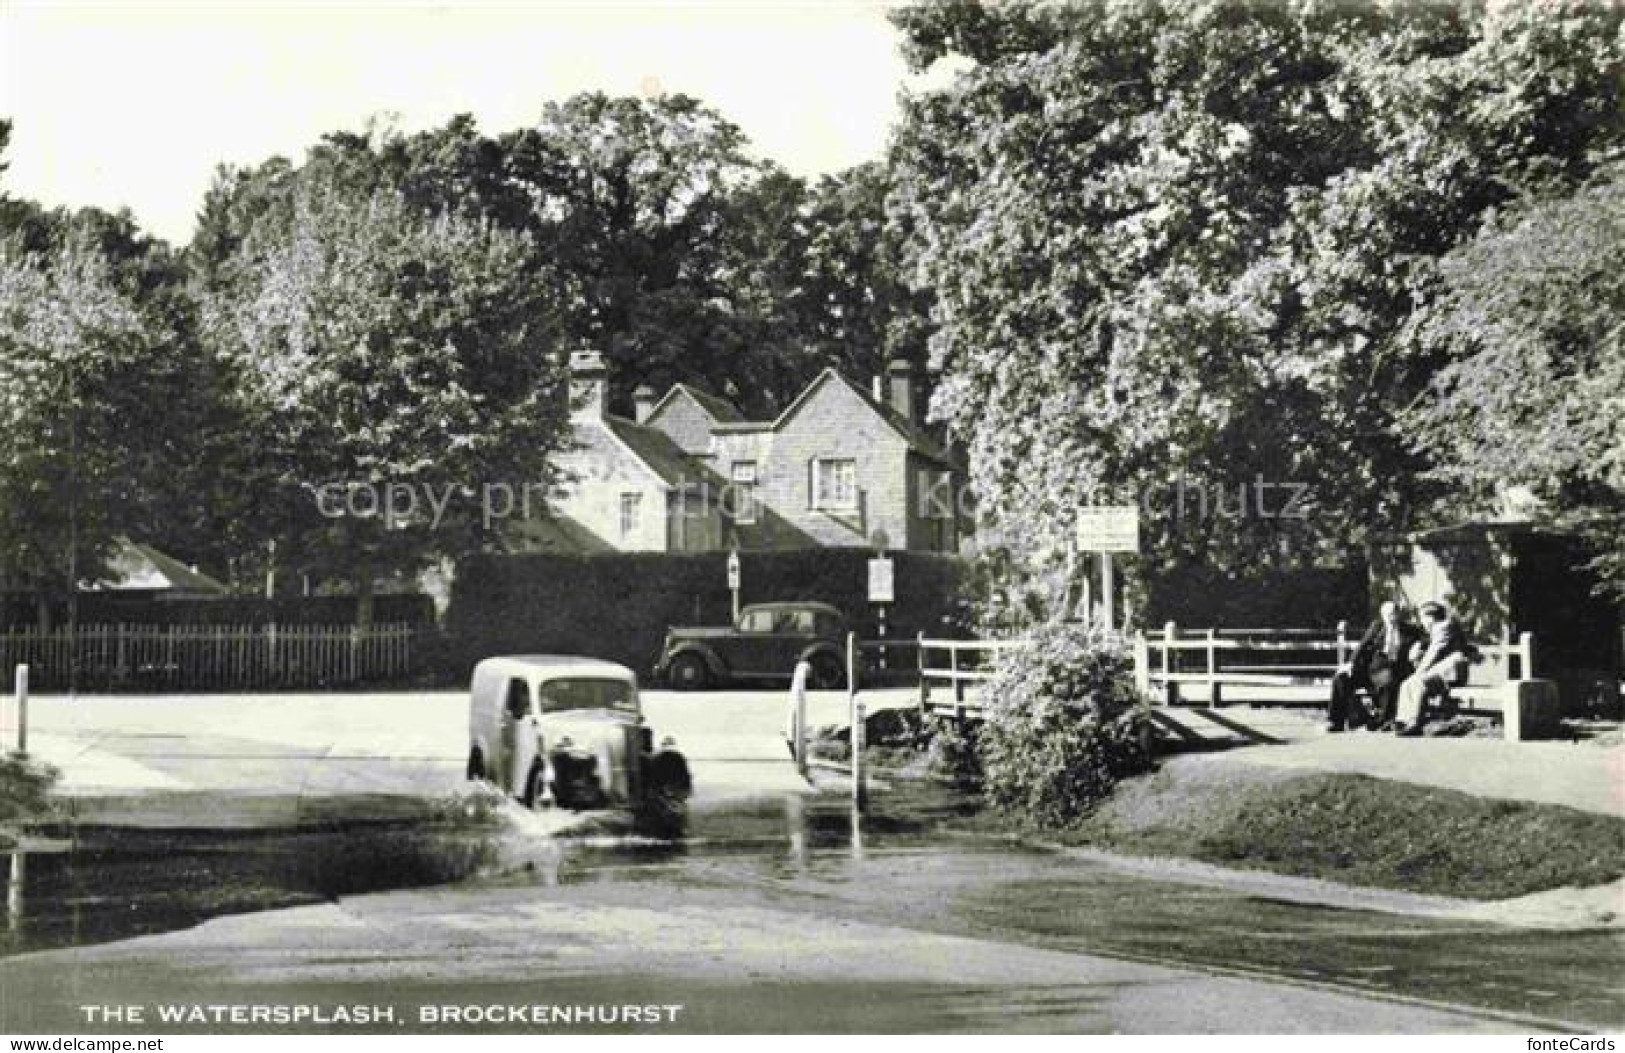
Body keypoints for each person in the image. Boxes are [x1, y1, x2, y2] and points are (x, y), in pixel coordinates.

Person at [1327, 601, 1422, 732]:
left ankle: (1383, 721)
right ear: (1382, 615)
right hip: (1372, 670)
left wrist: (1418, 647)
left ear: (1399, 614)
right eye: (1388, 614)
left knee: (1388, 680)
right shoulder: (1377, 627)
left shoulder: (1410, 630)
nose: (1391, 618)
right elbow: (1362, 645)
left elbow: (1424, 640)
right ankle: (1335, 721)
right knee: (1340, 679)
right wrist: (1350, 664)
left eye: (1394, 613)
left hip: (1394, 671)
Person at [1394, 600, 1476, 736]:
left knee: (1419, 682)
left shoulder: (1443, 627)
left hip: (1451, 671)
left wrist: (1419, 671)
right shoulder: (1438, 629)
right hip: (1442, 670)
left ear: (1430, 617)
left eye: (1422, 618)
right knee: (1407, 683)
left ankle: (1415, 722)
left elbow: (1434, 652)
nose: (1422, 622)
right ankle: (1403, 720)